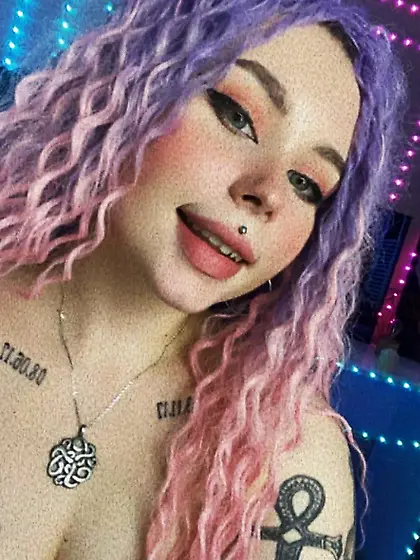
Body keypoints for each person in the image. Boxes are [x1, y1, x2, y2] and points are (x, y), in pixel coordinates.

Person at [0, 0, 407, 558]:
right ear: (133, 88)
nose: (268, 193)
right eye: (237, 116)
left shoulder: (285, 456)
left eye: (307, 183)